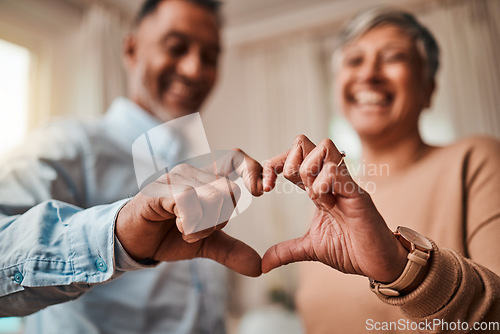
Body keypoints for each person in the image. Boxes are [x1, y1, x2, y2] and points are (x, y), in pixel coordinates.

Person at [0, 0, 264, 332]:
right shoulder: (70, 143)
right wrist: (120, 234)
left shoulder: (202, 166)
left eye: (209, 57)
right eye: (176, 47)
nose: (195, 69)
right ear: (131, 49)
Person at [260, 7, 500, 333]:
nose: (368, 74)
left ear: (429, 89)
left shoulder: (475, 160)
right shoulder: (327, 201)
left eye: (393, 57)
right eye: (354, 60)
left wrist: (403, 269)